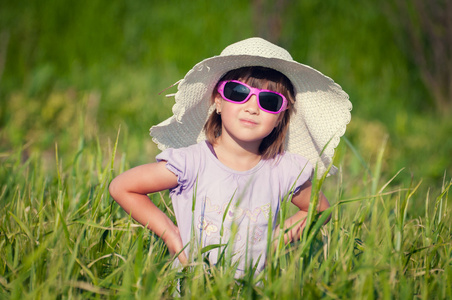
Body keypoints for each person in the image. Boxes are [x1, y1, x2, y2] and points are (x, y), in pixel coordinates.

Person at [109, 37, 352, 276]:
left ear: (280, 116)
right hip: (194, 288)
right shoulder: (192, 163)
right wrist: (170, 235)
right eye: (238, 92)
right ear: (218, 100)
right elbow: (122, 187)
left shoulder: (283, 169)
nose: (252, 107)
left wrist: (276, 243)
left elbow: (319, 209)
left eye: (269, 100)